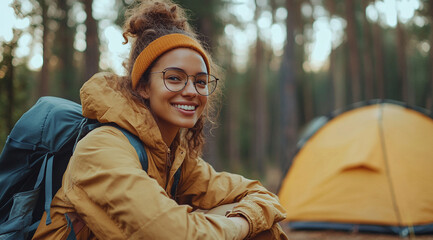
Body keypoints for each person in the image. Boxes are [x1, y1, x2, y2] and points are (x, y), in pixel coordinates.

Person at [33, 0, 287, 239]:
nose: (191, 91)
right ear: (143, 86)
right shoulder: (102, 149)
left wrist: (244, 220)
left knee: (264, 228)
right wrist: (240, 223)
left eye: (200, 81)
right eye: (174, 78)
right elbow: (177, 234)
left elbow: (260, 194)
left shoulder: (173, 159)